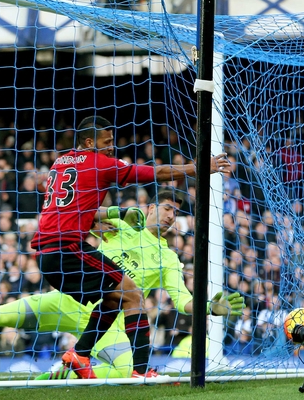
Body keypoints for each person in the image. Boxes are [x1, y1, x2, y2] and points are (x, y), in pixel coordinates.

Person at [0, 188, 244, 379]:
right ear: (149, 207)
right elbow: (82, 215)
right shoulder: (126, 223)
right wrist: (99, 222)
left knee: (123, 375)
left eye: (176, 212)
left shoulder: (170, 259)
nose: (171, 215)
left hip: (108, 320)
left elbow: (181, 299)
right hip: (70, 299)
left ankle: (69, 369)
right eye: (167, 208)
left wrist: (209, 307)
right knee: (2, 315)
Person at [29, 116, 230, 378]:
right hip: (66, 248)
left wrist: (103, 217)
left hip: (46, 253)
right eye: (107, 142)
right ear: (90, 142)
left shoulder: (60, 163)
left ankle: (80, 355)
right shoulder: (99, 163)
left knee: (116, 297)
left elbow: (73, 207)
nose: (112, 147)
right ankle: (142, 371)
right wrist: (201, 167)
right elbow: (156, 173)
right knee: (134, 294)